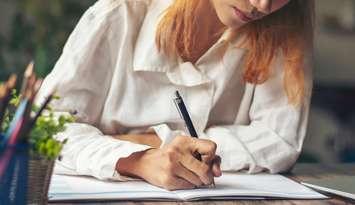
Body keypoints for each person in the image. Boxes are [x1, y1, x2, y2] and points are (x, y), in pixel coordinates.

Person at [36, 0, 315, 190]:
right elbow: (45, 127)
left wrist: (153, 141)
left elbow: (280, 141)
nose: (262, 5)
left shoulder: (284, 29)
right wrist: (138, 159)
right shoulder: (120, 13)